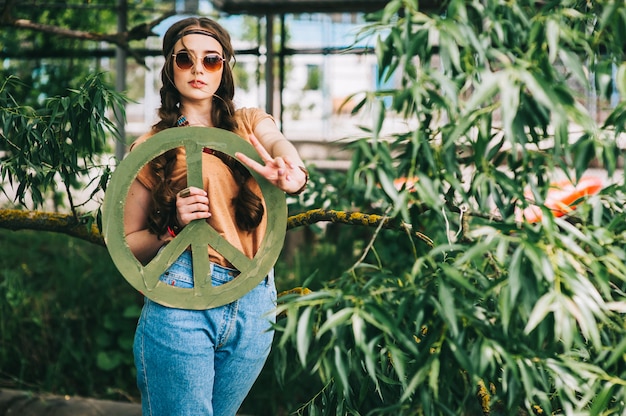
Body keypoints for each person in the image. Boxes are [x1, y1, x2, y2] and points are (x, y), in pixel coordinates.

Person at [123, 16, 308, 416]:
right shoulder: (151, 145)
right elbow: (128, 243)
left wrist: (291, 171)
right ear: (169, 66)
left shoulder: (249, 123)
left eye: (211, 60)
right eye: (185, 59)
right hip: (185, 290)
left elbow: (278, 145)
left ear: (224, 67)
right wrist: (174, 226)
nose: (197, 70)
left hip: (256, 298)